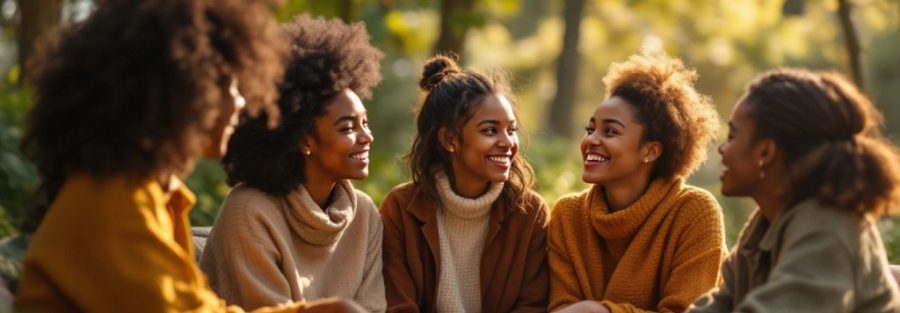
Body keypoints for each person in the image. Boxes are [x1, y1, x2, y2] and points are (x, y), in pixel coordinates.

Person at [14, 1, 360, 312]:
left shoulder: (154, 194)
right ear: (184, 90)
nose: (242, 102)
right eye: (230, 85)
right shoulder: (112, 198)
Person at [200, 15, 385, 312]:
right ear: (304, 141)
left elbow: (373, 307)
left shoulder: (364, 214)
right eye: (348, 127)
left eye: (365, 122)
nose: (367, 137)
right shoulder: (249, 211)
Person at [690, 69, 900, 312]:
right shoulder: (764, 227)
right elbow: (721, 304)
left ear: (765, 152)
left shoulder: (828, 228)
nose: (722, 149)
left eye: (732, 136)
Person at [549, 52, 725, 313]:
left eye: (610, 131)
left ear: (651, 151)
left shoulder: (695, 212)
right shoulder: (568, 215)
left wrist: (600, 312)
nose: (591, 140)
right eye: (590, 129)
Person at [380, 55, 549, 313]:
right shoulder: (401, 209)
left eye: (511, 130)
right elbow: (398, 306)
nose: (507, 142)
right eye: (490, 130)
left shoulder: (530, 213)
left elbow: (532, 306)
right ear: (450, 139)